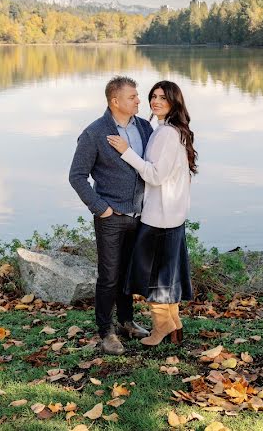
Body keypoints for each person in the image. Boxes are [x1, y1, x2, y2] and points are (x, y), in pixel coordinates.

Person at [106, 80, 196, 347]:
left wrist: (127, 152)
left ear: (174, 102)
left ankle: (161, 328)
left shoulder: (166, 133)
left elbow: (155, 175)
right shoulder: (173, 130)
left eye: (162, 98)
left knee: (156, 279)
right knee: (167, 277)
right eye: (152, 96)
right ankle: (175, 327)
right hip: (171, 217)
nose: (155, 101)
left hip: (160, 219)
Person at [69, 76, 153, 355]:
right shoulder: (94, 133)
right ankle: (106, 333)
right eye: (133, 97)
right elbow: (77, 176)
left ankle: (127, 321)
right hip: (111, 218)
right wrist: (101, 208)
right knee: (109, 277)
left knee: (129, 274)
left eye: (137, 96)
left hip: (140, 215)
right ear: (115, 101)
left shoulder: (144, 127)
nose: (139, 100)